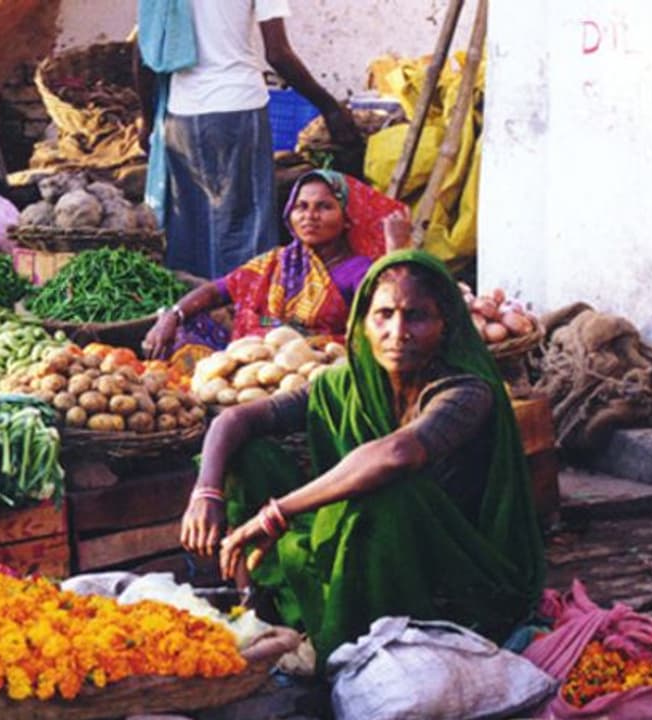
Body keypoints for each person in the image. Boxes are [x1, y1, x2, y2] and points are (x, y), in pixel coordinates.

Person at [180, 250, 545, 662]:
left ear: (446, 326)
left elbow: (396, 454)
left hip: (451, 560)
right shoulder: (343, 383)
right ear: (362, 323)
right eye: (383, 315)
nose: (398, 331)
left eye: (417, 316)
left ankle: (345, 640)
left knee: (389, 495)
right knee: (249, 456)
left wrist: (275, 514)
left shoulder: (467, 391)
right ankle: (274, 604)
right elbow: (236, 419)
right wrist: (205, 492)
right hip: (361, 531)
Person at [135, 0, 363, 281]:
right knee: (246, 227)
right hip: (238, 109)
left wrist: (147, 121)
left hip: (182, 116)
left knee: (190, 228)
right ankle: (250, 314)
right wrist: (328, 107)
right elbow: (278, 55)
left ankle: (194, 315)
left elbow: (145, 51)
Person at [142, 169, 409, 369]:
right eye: (301, 207)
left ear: (347, 218)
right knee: (183, 329)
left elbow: (395, 307)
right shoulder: (278, 260)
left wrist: (396, 248)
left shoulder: (358, 270)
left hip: (313, 365)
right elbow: (217, 290)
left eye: (324, 207)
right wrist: (171, 316)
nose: (310, 216)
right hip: (253, 355)